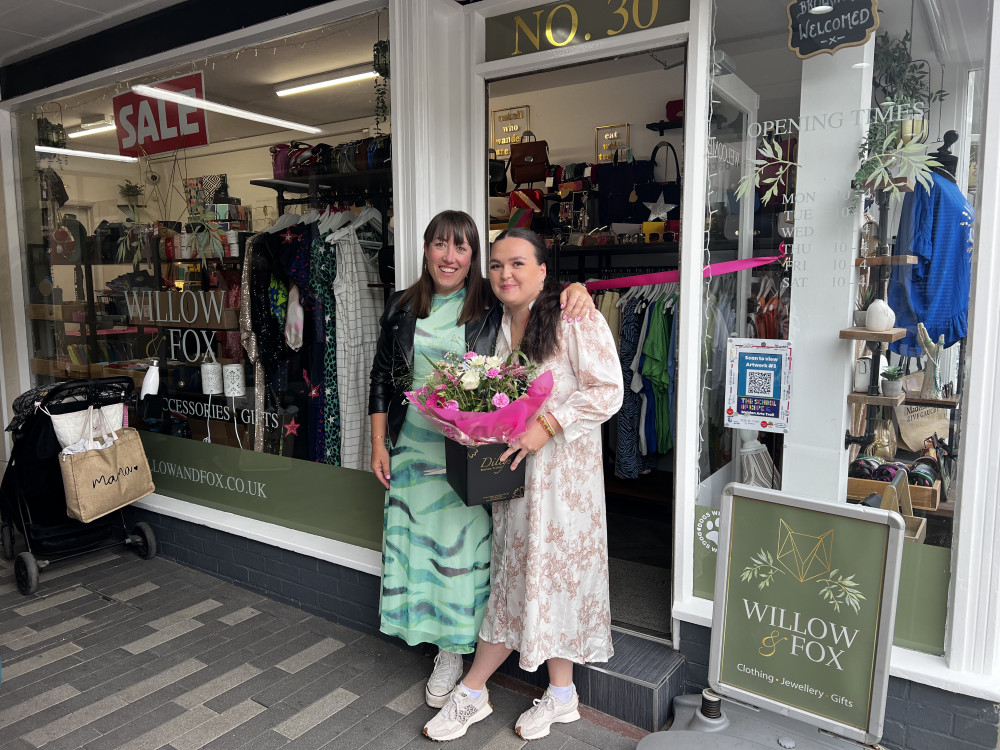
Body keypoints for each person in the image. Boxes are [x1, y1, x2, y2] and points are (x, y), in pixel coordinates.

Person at [368, 211, 595, 709]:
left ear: (473, 259)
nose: (450, 257)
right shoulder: (401, 306)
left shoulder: (489, 307)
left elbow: (534, 294)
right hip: (412, 447)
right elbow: (382, 375)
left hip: (469, 454)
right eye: (440, 245)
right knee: (419, 551)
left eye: (462, 248)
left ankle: (454, 651)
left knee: (461, 556)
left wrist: (576, 286)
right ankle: (430, 637)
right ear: (426, 249)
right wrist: (379, 442)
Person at [423, 227, 624, 741]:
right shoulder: (499, 323)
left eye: (516, 264)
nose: (504, 274)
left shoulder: (573, 316)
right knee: (524, 576)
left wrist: (545, 428)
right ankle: (562, 695)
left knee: (549, 577)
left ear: (541, 270)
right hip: (515, 480)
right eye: (495, 265)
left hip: (565, 484)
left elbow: (608, 391)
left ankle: (472, 691)